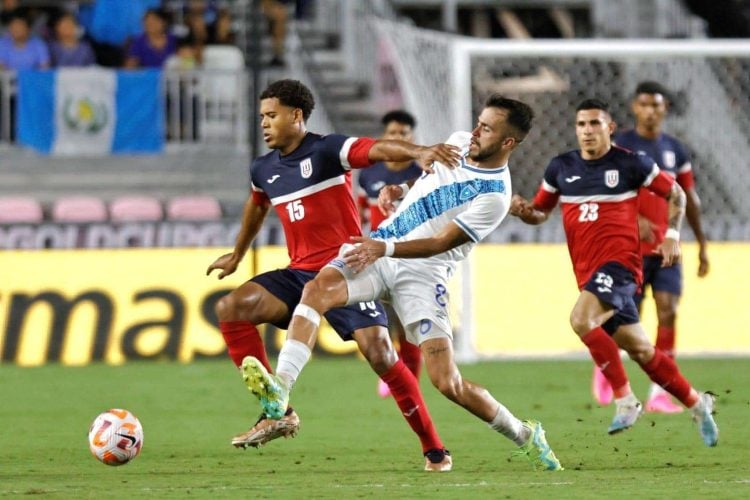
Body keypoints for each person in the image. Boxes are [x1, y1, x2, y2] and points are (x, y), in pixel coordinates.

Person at [241, 94, 564, 472]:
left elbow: (441, 243)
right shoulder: (459, 142)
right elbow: (430, 181)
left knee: (447, 383)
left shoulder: (495, 196)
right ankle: (280, 389)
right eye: (478, 121)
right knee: (315, 290)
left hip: (423, 274)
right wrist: (401, 191)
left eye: (487, 129)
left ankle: (525, 436)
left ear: (508, 142)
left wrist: (385, 246)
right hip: (380, 251)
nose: (476, 132)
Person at [207, 79, 457, 471]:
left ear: (296, 116)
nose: (265, 124)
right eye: (261, 117)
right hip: (300, 274)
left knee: (381, 355)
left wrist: (420, 151)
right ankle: (278, 410)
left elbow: (374, 148)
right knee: (231, 307)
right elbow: (256, 205)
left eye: (271, 116)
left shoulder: (326, 150)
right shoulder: (264, 168)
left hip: (348, 270)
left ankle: (434, 448)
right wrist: (238, 253)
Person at [509, 98, 718, 446]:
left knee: (580, 320)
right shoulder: (560, 168)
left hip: (621, 266)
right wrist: (522, 211)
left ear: (610, 127)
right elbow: (540, 212)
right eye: (582, 125)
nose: (587, 131)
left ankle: (625, 399)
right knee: (642, 352)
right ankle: (698, 404)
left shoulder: (631, 163)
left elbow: (676, 193)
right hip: (587, 272)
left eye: (595, 124)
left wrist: (671, 236)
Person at [590, 82, 711, 412]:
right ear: (634, 108)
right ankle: (607, 372)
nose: (651, 110)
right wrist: (629, 218)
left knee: (668, 311)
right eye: (644, 104)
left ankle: (661, 390)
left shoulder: (676, 149)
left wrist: (701, 244)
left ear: (665, 109)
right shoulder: (621, 146)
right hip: (629, 251)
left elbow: (689, 198)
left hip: (667, 249)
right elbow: (601, 189)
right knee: (628, 319)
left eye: (657, 105)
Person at [357, 110, 423, 398]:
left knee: (406, 324)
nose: (398, 138)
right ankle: (393, 372)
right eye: (393, 133)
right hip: (376, 257)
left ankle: (410, 380)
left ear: (412, 138)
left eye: (404, 133)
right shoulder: (370, 173)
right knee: (378, 319)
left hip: (410, 257)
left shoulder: (423, 175)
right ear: (384, 137)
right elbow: (359, 211)